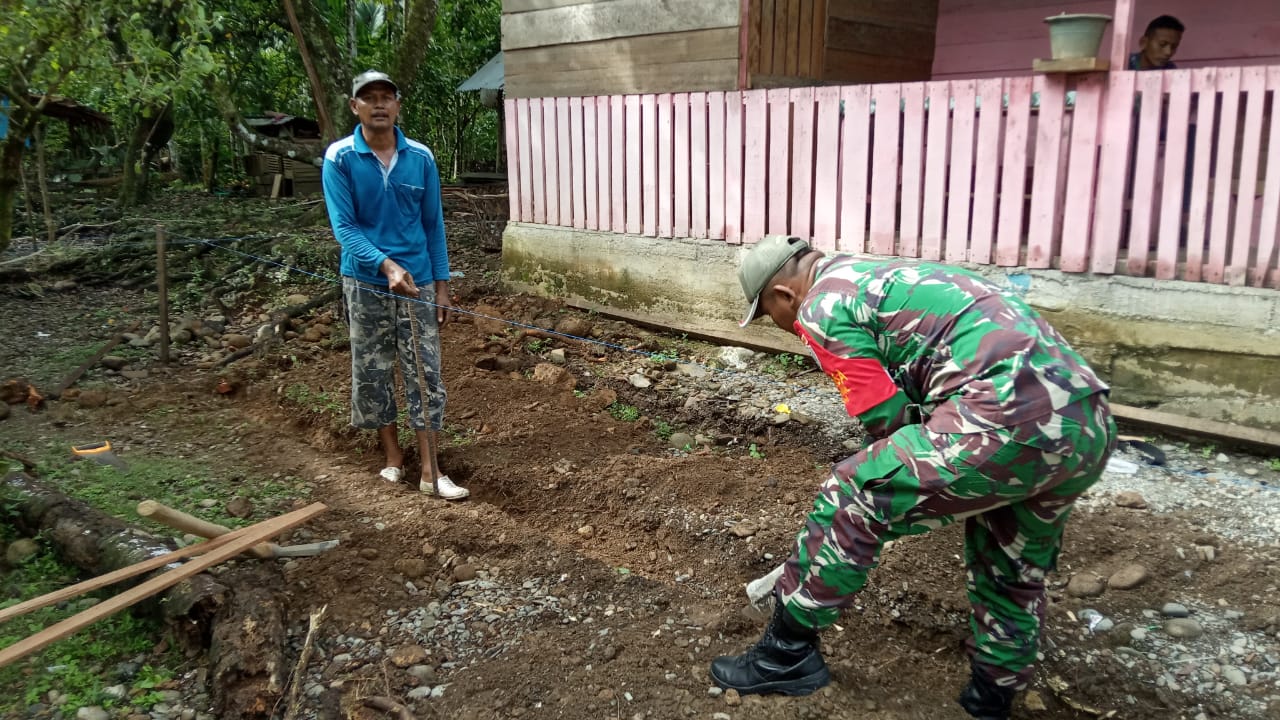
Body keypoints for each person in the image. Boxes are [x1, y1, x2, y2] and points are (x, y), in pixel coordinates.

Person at [712, 236, 1116, 719]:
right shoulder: (877, 276)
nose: (780, 326)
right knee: (1009, 560)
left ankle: (785, 654)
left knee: (854, 495)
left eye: (768, 316)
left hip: (1007, 417)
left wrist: (883, 499)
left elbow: (888, 421)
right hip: (1086, 421)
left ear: (783, 295)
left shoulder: (822, 305)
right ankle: (990, 697)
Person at [322, 69, 468, 500]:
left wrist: (441, 286)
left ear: (398, 105)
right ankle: (392, 457)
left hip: (418, 282)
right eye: (370, 98)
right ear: (355, 107)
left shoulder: (420, 158)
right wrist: (384, 265)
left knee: (425, 371)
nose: (379, 104)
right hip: (366, 281)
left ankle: (430, 470)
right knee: (373, 369)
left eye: (387, 97)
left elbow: (433, 226)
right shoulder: (340, 158)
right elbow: (344, 228)